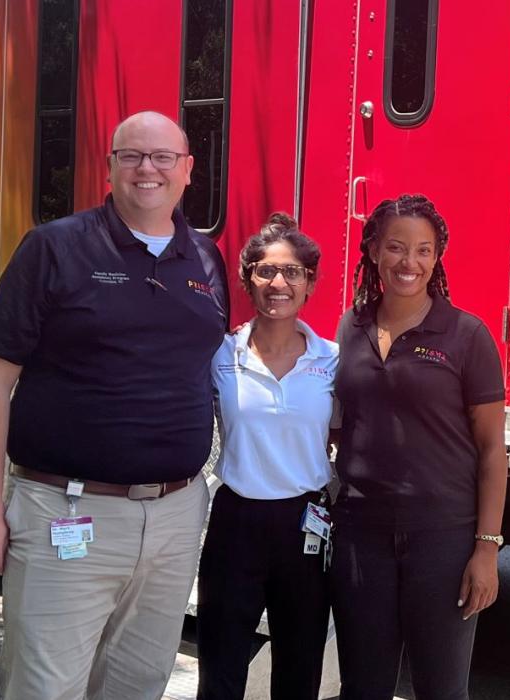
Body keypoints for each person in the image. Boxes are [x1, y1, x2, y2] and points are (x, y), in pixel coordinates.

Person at [0, 111, 226, 700]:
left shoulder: (207, 260)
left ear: (187, 170)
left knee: (138, 684)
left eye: (162, 157)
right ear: (109, 169)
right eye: (130, 156)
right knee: (45, 688)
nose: (146, 169)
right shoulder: (54, 247)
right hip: (66, 510)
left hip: (176, 514)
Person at [330, 195, 508, 700]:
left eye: (424, 251)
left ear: (437, 258)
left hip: (442, 540)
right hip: (361, 535)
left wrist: (486, 549)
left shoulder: (467, 335)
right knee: (362, 687)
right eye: (396, 247)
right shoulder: (352, 326)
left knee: (441, 689)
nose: (409, 263)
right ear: (372, 251)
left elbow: (493, 449)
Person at [198, 214, 337, 700]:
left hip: (305, 524)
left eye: (293, 272)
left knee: (300, 670)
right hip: (236, 520)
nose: (279, 283)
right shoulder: (220, 355)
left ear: (310, 284)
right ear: (248, 280)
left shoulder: (332, 360)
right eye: (265, 271)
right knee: (220, 666)